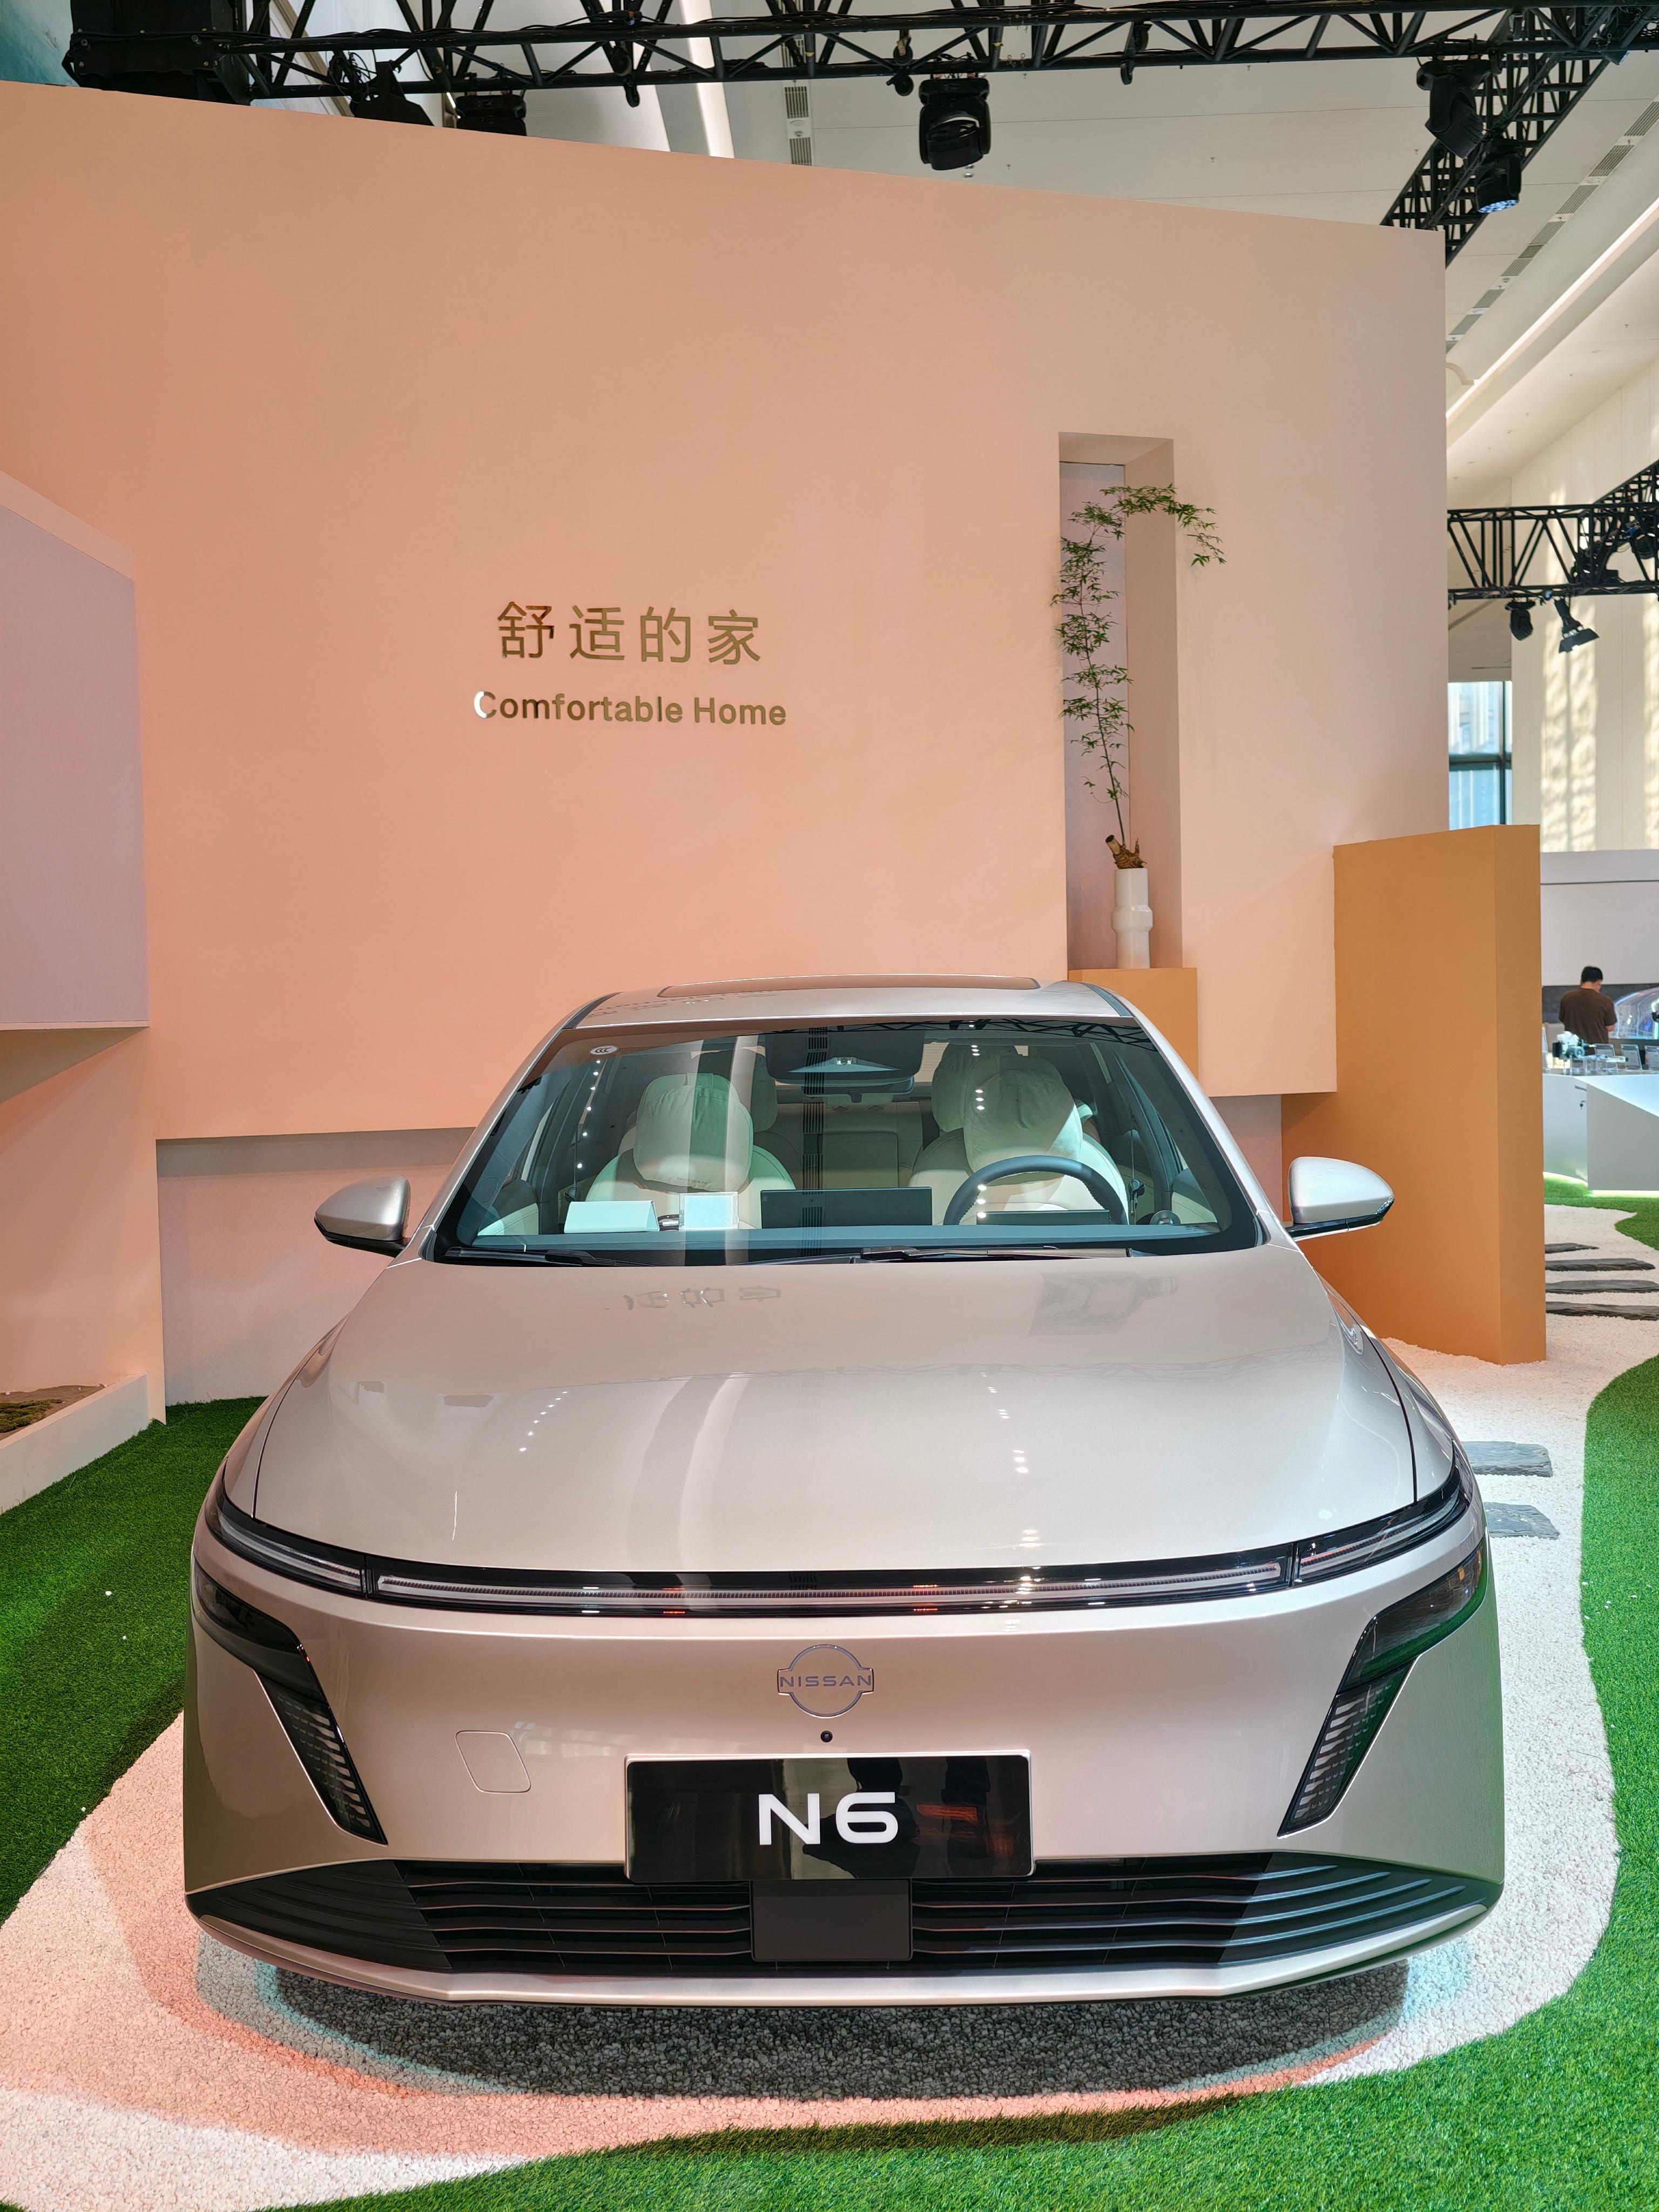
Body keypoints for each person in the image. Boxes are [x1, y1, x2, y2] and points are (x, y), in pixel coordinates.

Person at [1559, 966, 1617, 1048]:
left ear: (1581, 981)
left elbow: (1563, 1020)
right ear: (1599, 982)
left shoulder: (1567, 998)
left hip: (1573, 1050)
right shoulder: (1605, 1001)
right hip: (1598, 1050)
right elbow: (1610, 1027)